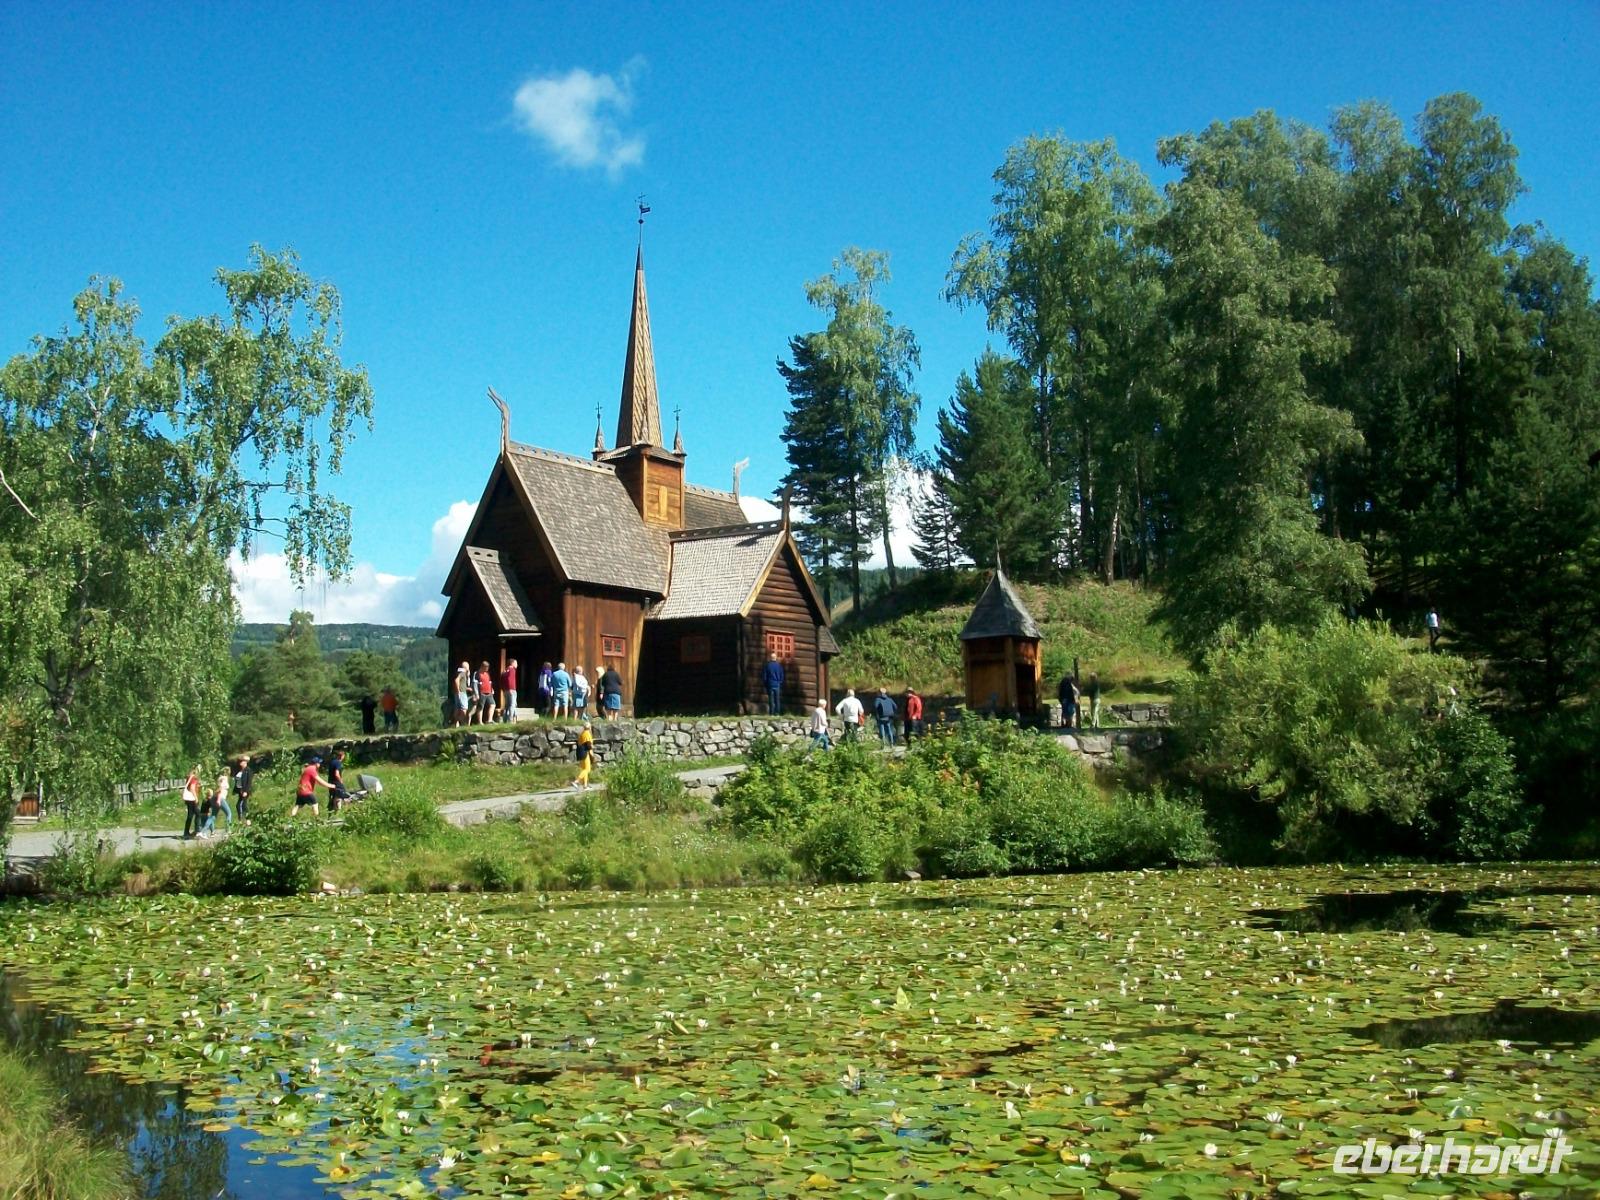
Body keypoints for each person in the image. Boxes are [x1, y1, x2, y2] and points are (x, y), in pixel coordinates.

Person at [202, 764, 233, 836]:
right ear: (228, 772)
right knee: (229, 813)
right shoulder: (224, 779)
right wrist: (218, 799)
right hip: (220, 798)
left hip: (214, 797)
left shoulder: (219, 779)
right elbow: (220, 789)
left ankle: (203, 832)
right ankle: (228, 830)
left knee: (213, 816)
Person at [181, 764, 203, 840]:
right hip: (192, 799)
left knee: (190, 815)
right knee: (198, 813)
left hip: (188, 799)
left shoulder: (189, 777)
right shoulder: (194, 778)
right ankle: (198, 831)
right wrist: (196, 798)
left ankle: (186, 832)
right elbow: (192, 788)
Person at [571, 720, 596, 789]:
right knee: (587, 769)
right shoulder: (587, 734)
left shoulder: (582, 733)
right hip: (584, 752)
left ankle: (585, 785)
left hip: (580, 752)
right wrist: (592, 754)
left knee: (584, 769)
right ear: (589, 727)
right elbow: (588, 745)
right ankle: (576, 781)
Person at [762, 651, 785, 715]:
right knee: (777, 699)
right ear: (775, 658)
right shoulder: (779, 666)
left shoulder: (767, 666)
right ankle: (777, 713)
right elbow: (782, 675)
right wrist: (780, 682)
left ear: (770, 658)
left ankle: (771, 713)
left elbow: (765, 676)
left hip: (770, 684)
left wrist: (765, 684)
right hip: (777, 684)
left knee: (771, 700)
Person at [232, 755, 254, 823]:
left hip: (245, 791)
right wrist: (235, 790)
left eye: (242, 761)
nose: (240, 763)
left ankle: (247, 820)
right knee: (238, 805)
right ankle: (240, 819)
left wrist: (246, 791)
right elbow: (238, 781)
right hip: (240, 791)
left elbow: (249, 782)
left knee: (243, 805)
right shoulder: (240, 771)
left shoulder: (248, 770)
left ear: (245, 762)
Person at [452, 662, 472, 727]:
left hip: (458, 692)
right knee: (464, 708)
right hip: (462, 693)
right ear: (466, 667)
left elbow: (461, 684)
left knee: (457, 708)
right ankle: (461, 722)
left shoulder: (459, 672)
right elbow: (456, 680)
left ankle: (456, 724)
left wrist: (467, 688)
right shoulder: (462, 673)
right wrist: (458, 691)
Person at [502, 659, 519, 723]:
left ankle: (504, 719)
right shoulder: (512, 669)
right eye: (516, 663)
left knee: (506, 705)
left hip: (505, 690)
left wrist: (503, 689)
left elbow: (501, 679)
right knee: (512, 704)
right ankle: (510, 719)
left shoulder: (505, 670)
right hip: (511, 689)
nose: (517, 665)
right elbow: (510, 679)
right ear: (512, 663)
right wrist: (511, 688)